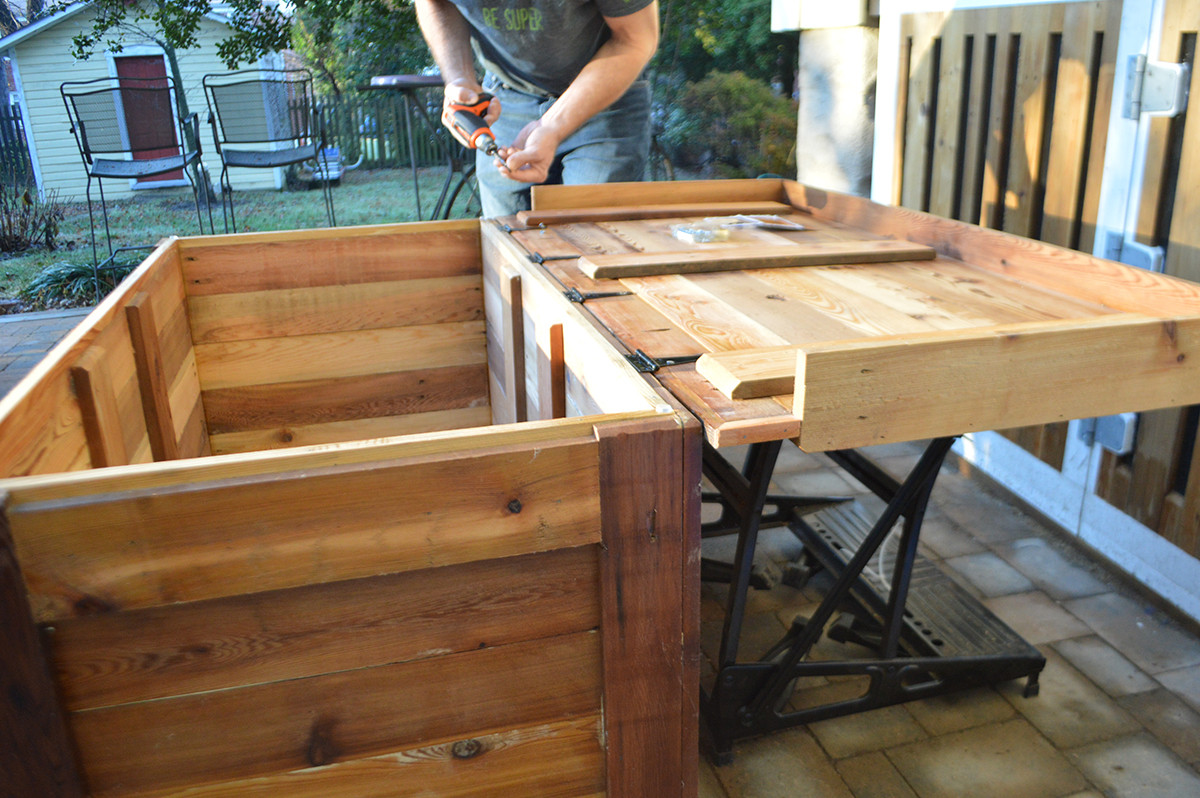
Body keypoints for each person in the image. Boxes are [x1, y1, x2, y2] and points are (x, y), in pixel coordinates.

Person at [415, 0, 659, 217]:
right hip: (505, 95)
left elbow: (635, 38)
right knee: (506, 246)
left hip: (606, 94)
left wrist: (550, 126)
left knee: (596, 240)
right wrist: (459, 77)